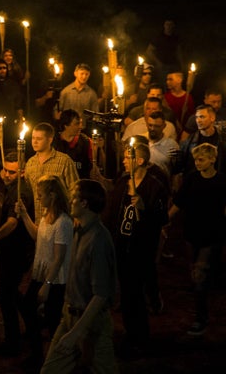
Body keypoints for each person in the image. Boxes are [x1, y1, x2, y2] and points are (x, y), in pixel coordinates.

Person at [40, 180, 117, 373]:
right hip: (69, 317)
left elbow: (100, 294)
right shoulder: (78, 232)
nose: (70, 201)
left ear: (84, 203)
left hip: (92, 323)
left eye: (74, 197)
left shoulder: (98, 240)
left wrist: (77, 333)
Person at [106, 142, 168, 357]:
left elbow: (162, 218)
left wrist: (144, 208)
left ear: (140, 160)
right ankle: (131, 333)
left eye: (127, 157)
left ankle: (140, 336)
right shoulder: (123, 181)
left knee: (135, 293)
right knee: (126, 292)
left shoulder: (154, 185)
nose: (123, 160)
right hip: (122, 245)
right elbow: (112, 212)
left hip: (141, 248)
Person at [168, 143, 226, 337]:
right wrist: (166, 220)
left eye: (201, 159)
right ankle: (202, 304)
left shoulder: (221, 182)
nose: (197, 163)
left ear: (212, 159)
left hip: (212, 235)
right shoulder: (192, 179)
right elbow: (179, 202)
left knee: (199, 274)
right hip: (192, 234)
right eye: (196, 160)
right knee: (195, 273)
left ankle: (201, 318)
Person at [17, 175, 73, 366]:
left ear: (53, 195)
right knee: (28, 308)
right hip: (40, 273)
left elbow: (59, 257)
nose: (38, 198)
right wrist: (24, 215)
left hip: (55, 279)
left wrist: (47, 285)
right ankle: (38, 355)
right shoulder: (46, 215)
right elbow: (36, 236)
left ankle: (56, 359)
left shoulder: (63, 222)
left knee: (53, 319)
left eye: (41, 195)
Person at [0, 152, 35, 358]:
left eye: (11, 172)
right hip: (13, 250)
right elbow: (7, 208)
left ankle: (12, 342)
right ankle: (32, 327)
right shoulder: (13, 189)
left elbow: (13, 222)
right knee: (13, 294)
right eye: (4, 169)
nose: (5, 174)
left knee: (6, 297)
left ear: (22, 172)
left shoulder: (22, 191)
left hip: (16, 251)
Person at [23, 123, 80, 223]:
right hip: (39, 221)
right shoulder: (30, 163)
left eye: (39, 139)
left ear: (50, 140)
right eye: (33, 138)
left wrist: (76, 217)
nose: (34, 142)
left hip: (60, 220)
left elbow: (74, 190)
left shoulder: (64, 161)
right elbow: (28, 193)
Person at [53, 109, 93, 179]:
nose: (81, 127)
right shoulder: (53, 142)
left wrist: (99, 149)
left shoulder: (85, 141)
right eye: (76, 124)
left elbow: (94, 164)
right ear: (66, 125)